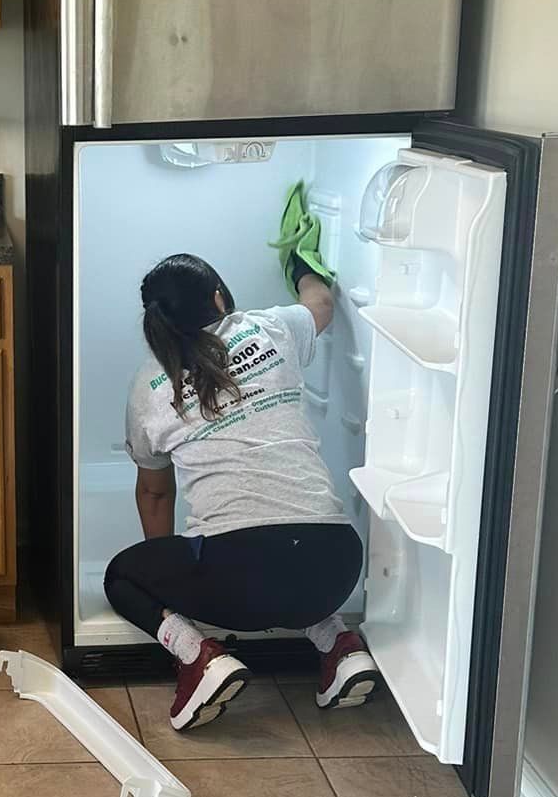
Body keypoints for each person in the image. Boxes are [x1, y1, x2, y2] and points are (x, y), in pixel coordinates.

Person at [106, 252, 378, 733]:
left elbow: (154, 493)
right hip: (336, 563)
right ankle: (338, 644)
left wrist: (169, 577)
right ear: (218, 298)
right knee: (284, 560)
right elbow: (322, 303)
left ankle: (200, 658)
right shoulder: (271, 328)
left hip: (239, 580)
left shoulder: (150, 385)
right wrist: (301, 263)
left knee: (120, 576)